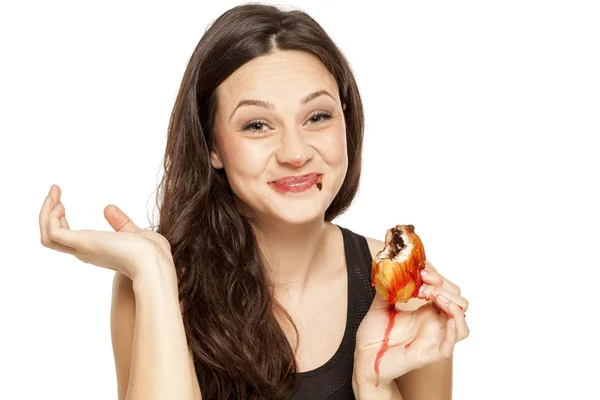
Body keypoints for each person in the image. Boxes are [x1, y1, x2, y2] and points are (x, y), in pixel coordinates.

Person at [38, 3, 469, 399]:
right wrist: (153, 274)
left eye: (317, 116)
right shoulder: (159, 284)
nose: (295, 153)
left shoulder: (405, 290)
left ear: (346, 122)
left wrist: (372, 383)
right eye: (258, 125)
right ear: (213, 147)